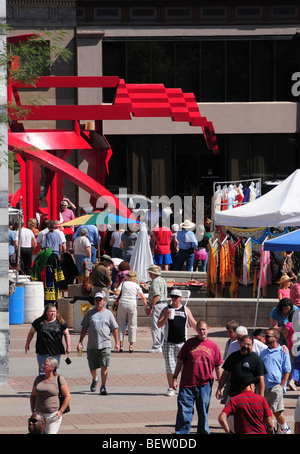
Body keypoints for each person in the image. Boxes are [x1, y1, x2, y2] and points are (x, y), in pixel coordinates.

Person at [172, 320, 223, 434]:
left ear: (208, 329)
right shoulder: (189, 344)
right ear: (196, 330)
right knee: (184, 412)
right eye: (200, 329)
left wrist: (220, 386)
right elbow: (180, 361)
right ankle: (181, 433)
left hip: (204, 385)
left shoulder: (213, 346)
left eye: (204, 329)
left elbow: (218, 367)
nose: (202, 332)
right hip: (187, 383)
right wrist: (174, 378)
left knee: (203, 412)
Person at [77, 292, 119, 395]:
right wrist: (80, 341)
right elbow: (84, 328)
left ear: (104, 301)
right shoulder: (89, 313)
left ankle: (103, 386)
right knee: (92, 367)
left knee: (104, 365)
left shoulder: (109, 314)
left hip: (105, 344)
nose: (98, 302)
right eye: (96, 300)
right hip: (92, 345)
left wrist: (117, 343)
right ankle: (95, 378)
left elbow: (114, 329)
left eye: (100, 300)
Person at [157, 289, 197, 396]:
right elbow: (159, 325)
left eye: (176, 297)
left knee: (186, 366)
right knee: (170, 366)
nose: (174, 299)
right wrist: (166, 317)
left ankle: (184, 387)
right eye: (172, 297)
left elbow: (193, 323)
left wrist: (202, 332)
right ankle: (171, 387)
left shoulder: (185, 309)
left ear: (180, 298)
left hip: (183, 343)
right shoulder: (166, 309)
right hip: (169, 342)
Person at [216, 335, 267, 402]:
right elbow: (225, 373)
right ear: (240, 343)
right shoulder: (233, 356)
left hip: (249, 398)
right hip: (233, 395)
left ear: (252, 345)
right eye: (244, 343)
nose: (246, 346)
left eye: (248, 344)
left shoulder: (257, 360)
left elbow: (261, 379)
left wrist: (261, 396)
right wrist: (219, 388)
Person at [260, 328, 292, 434]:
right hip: (263, 387)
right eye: (266, 336)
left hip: (276, 386)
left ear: (275, 338)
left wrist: (282, 386)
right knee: (273, 412)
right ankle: (277, 429)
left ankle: (285, 429)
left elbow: (287, 371)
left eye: (268, 336)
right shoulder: (263, 352)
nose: (266, 338)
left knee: (273, 411)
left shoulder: (283, 351)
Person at [25, 303, 71, 375]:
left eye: (54, 311)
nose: (53, 313)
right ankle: (43, 385)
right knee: (43, 371)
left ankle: (54, 385)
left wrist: (68, 346)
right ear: (46, 312)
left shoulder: (61, 322)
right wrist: (27, 344)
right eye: (50, 311)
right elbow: (31, 333)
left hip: (56, 351)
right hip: (42, 352)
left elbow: (66, 334)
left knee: (55, 371)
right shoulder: (39, 321)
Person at [30, 357, 71, 434]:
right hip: (39, 416)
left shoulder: (59, 379)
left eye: (45, 364)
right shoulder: (38, 379)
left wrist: (60, 412)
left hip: (52, 416)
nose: (43, 365)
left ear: (52, 368)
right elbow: (33, 396)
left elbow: (67, 396)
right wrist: (33, 411)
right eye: (43, 364)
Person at [115, 270, 147, 353]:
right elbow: (143, 297)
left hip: (122, 304)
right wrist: (146, 307)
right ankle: (131, 346)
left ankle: (121, 345)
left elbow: (116, 293)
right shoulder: (136, 285)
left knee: (121, 324)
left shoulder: (123, 283)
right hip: (132, 305)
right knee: (132, 325)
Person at [146, 264, 168, 353]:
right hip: (164, 304)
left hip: (158, 305)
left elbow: (156, 295)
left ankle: (156, 346)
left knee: (155, 326)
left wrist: (151, 307)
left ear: (151, 273)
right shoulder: (162, 280)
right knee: (162, 326)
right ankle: (162, 345)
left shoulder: (155, 282)